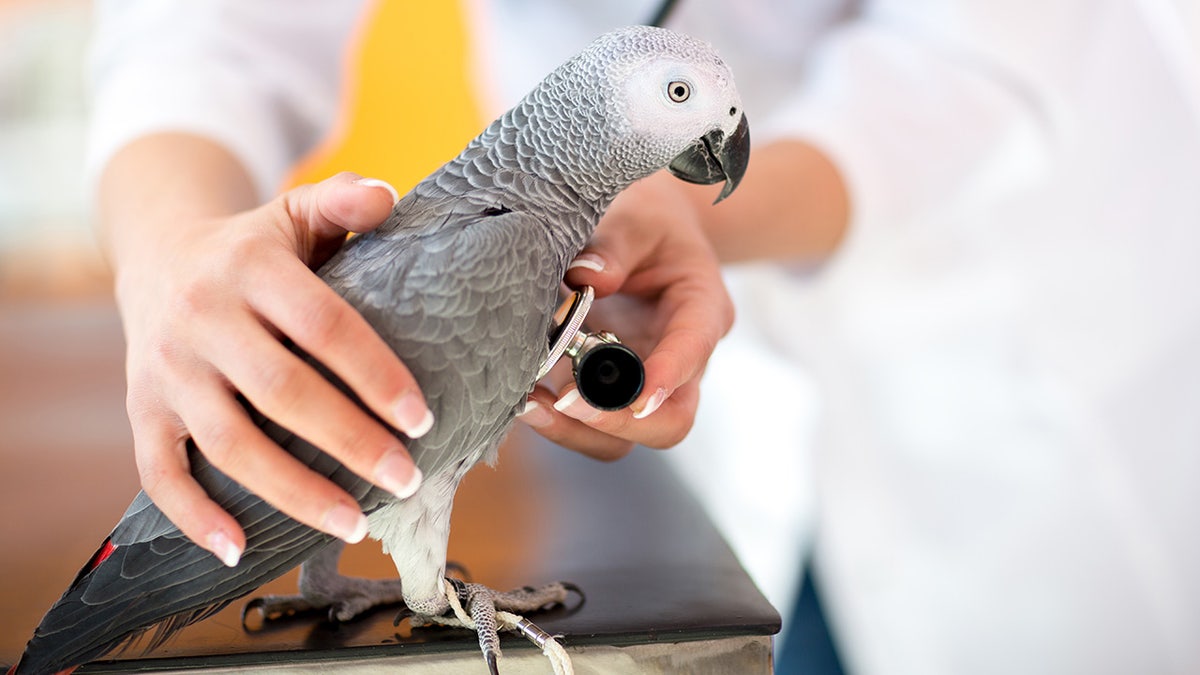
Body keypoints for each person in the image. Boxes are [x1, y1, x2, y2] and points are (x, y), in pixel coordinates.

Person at [89, 0, 1200, 673]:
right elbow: (205, 25)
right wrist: (172, 247)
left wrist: (681, 213)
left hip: (1007, 328)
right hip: (700, 433)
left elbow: (977, 62)